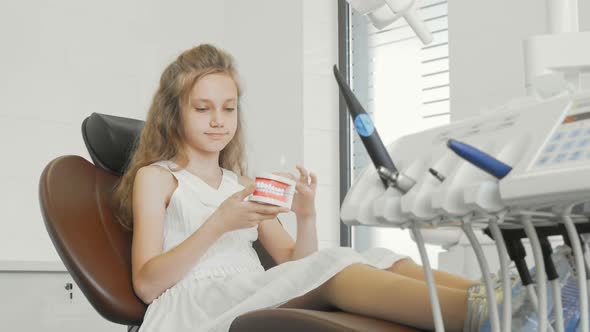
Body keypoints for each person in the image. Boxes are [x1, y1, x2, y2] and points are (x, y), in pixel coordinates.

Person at [111, 44, 514, 332]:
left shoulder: (242, 185)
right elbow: (147, 284)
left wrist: (305, 214)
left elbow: (294, 263)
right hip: (197, 305)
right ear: (173, 113)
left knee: (381, 256)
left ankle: (506, 292)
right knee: (337, 270)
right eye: (203, 108)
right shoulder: (159, 178)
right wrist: (218, 223)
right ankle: (486, 316)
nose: (218, 120)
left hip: (251, 289)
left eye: (228, 108)